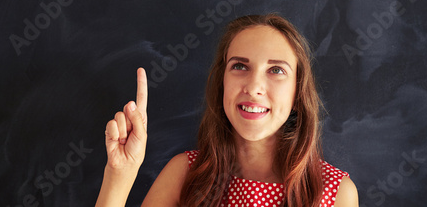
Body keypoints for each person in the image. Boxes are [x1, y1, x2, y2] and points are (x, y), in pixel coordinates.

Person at [96, 14, 358, 207]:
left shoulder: (336, 194)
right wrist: (120, 173)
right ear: (222, 82)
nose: (254, 86)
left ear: (298, 91)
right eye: (240, 66)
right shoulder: (184, 174)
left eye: (276, 70)